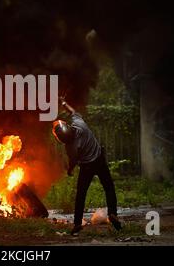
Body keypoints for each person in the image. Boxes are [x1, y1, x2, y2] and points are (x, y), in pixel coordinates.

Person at [52, 98, 122, 236]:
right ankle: (112, 213)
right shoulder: (80, 124)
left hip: (87, 167)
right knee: (108, 187)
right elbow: (73, 112)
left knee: (81, 195)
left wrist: (70, 169)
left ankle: (77, 223)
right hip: (99, 160)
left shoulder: (70, 147)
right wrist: (64, 103)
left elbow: (73, 160)